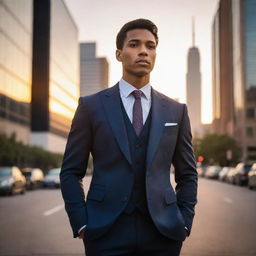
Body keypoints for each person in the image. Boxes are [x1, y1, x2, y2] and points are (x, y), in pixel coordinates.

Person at [60, 18, 198, 256]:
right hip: (104, 231)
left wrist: (184, 221)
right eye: (134, 44)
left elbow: (187, 174)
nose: (143, 51)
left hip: (163, 233)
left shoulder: (176, 111)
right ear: (119, 54)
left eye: (150, 46)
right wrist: (82, 223)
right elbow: (71, 171)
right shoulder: (91, 107)